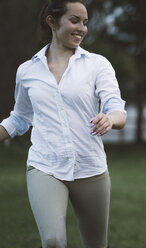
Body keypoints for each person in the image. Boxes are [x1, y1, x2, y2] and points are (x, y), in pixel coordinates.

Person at [0, 0, 126, 247]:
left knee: (96, 244)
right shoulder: (27, 71)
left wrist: (109, 119)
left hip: (90, 167)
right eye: (75, 20)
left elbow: (117, 110)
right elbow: (20, 118)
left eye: (85, 22)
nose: (82, 28)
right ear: (52, 21)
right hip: (45, 165)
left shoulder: (97, 65)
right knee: (54, 241)